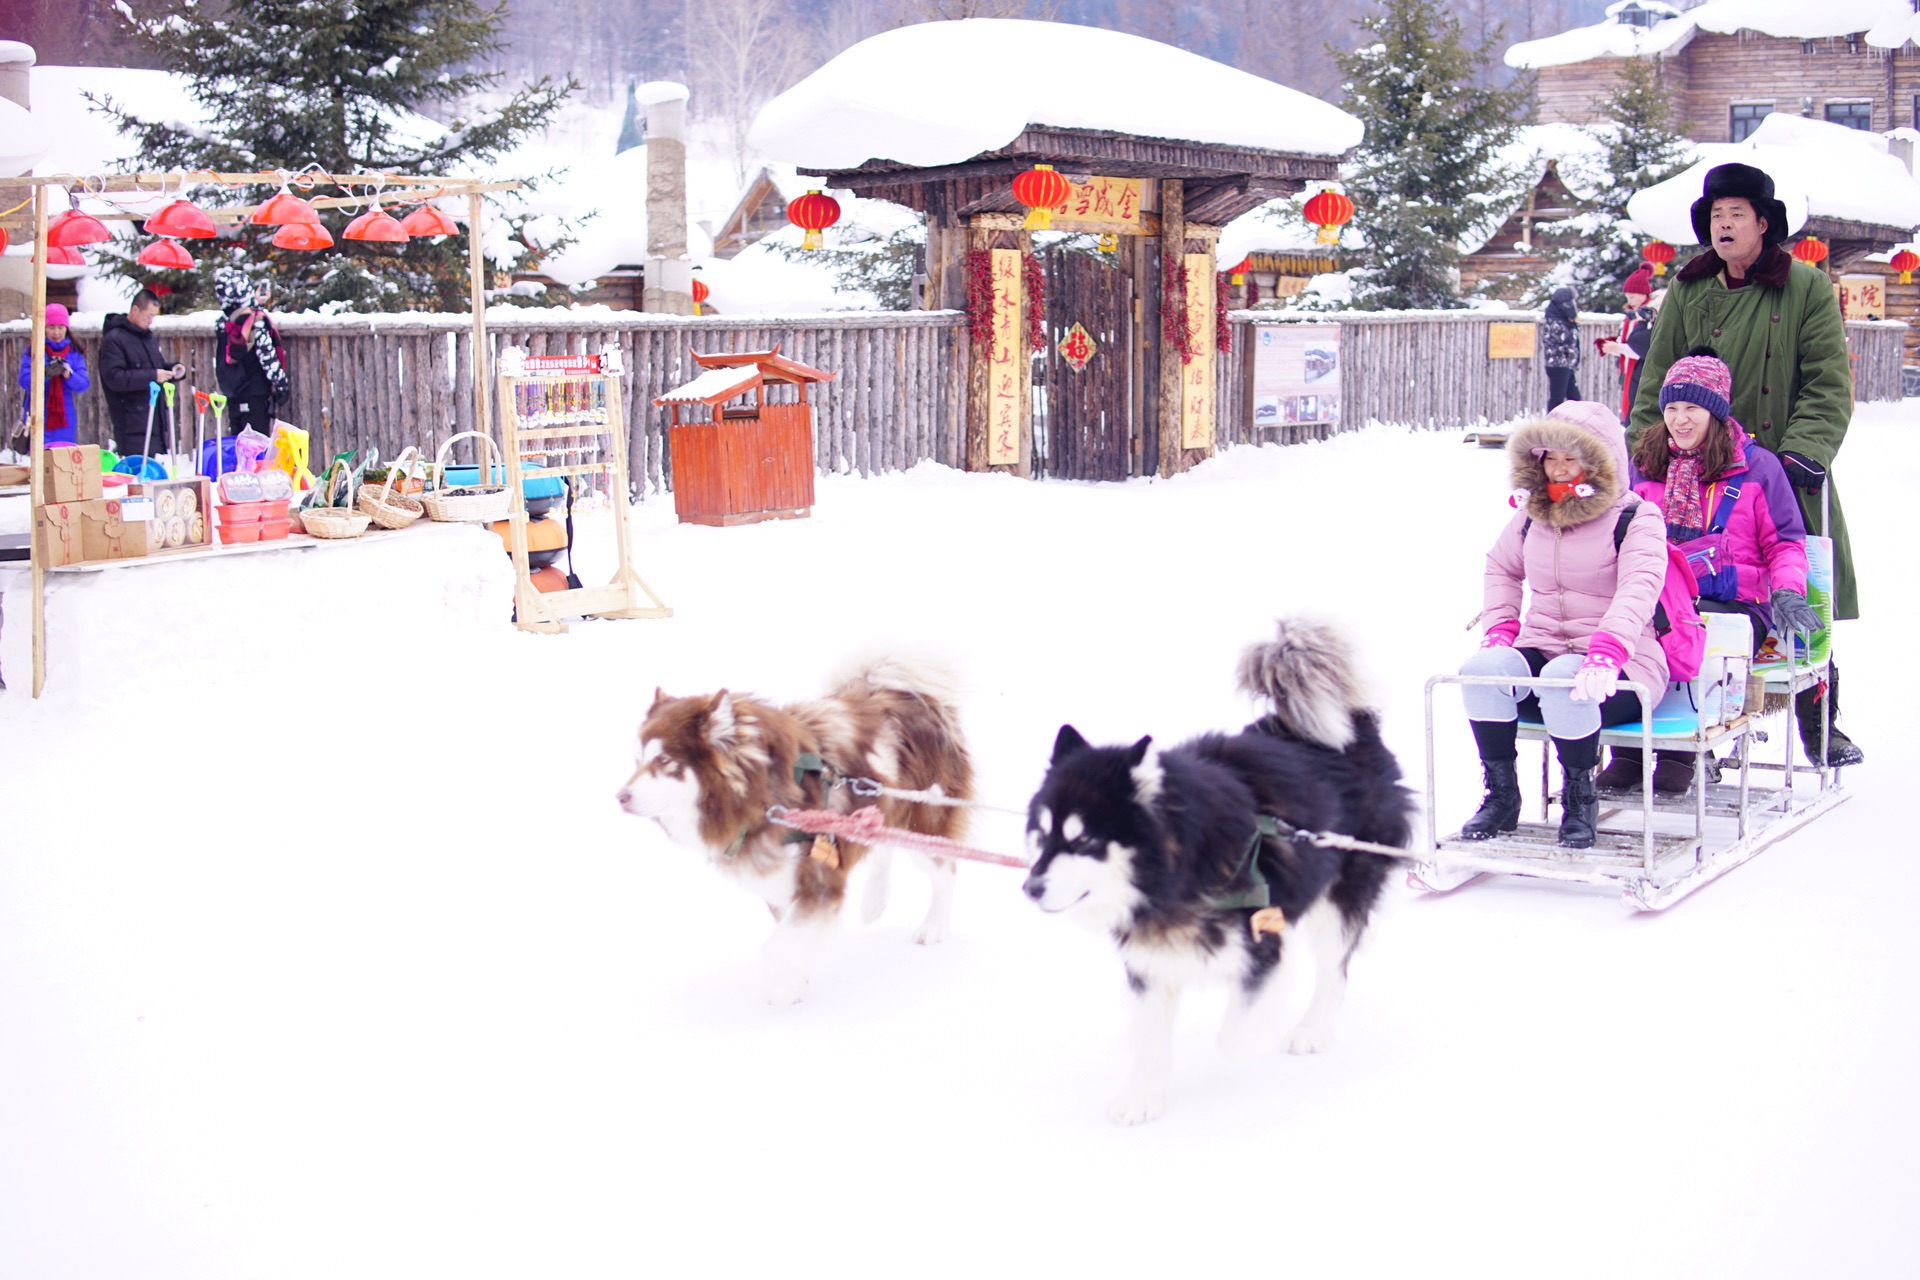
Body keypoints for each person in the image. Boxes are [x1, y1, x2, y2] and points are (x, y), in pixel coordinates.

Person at [1628, 161, 1861, 768]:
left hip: (1781, 466)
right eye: (1715, 216)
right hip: (1692, 469)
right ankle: (1694, 722)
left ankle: (1819, 722)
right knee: (1682, 596)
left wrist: (1801, 454)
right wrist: (1647, 448)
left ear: (1763, 222)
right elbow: (1658, 377)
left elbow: (1828, 383)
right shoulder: (1689, 286)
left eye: (1736, 214)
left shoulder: (1805, 286)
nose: (1723, 226)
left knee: (1797, 587)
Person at [1601, 348, 1821, 792]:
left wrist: (1788, 590)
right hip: (1660, 597)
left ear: (1717, 412)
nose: (1680, 420)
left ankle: (1686, 751)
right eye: (1672, 408)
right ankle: (1626, 748)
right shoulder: (1646, 465)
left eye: (1693, 408)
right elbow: (1615, 531)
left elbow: (1785, 544)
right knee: (1631, 628)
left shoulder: (1759, 468)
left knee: (1705, 638)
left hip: (1735, 603)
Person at [1457, 399, 1669, 849]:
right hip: (1546, 652)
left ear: (1600, 460)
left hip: (1622, 667)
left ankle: (1580, 799)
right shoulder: (1532, 514)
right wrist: (1500, 631)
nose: (1557, 469)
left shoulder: (1636, 517)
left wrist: (1607, 652)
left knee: (1561, 681)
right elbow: (1500, 568)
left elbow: (1641, 585)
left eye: (1569, 457)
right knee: (1484, 670)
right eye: (1550, 457)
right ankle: (1501, 795)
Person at [98, 288, 186, 460]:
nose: (151, 321)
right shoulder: (114, 339)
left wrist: (172, 370)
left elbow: (155, 367)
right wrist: (153, 376)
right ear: (135, 310)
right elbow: (114, 378)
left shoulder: (147, 337)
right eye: (149, 315)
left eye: (154, 316)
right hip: (131, 423)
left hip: (154, 419)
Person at [213, 267, 289, 435]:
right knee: (257, 444)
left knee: (239, 443)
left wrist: (258, 303)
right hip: (255, 393)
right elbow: (267, 356)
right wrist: (281, 384)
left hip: (234, 394)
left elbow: (240, 313)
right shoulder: (256, 323)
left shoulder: (225, 323)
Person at [15, 303, 90, 447]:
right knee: (41, 461)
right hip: (39, 415)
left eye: (60, 327)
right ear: (44, 328)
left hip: (65, 418)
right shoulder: (34, 351)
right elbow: (24, 380)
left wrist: (67, 373)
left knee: (63, 460)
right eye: (52, 327)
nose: (56, 332)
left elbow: (83, 385)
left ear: (66, 329)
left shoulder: (73, 353)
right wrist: (45, 373)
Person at [1600, 266, 1655, 421]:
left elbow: (1641, 348)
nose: (1629, 301)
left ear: (1643, 294)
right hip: (1629, 370)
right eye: (1628, 297)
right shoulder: (1632, 315)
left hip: (1642, 371)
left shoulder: (1650, 315)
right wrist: (1615, 347)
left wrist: (1618, 347)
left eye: (1632, 297)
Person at [1542, 285, 1580, 410]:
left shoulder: (1559, 320)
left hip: (1565, 364)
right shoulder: (1555, 323)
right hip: (1558, 365)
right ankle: (1551, 426)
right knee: (1557, 399)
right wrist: (1574, 324)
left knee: (1575, 399)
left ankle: (1577, 425)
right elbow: (1569, 340)